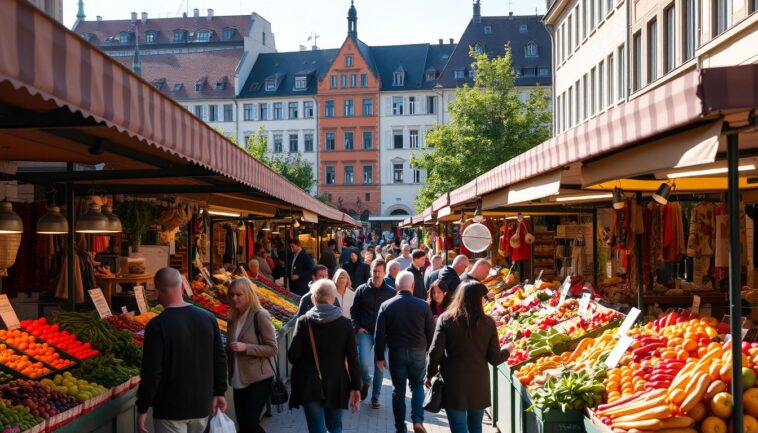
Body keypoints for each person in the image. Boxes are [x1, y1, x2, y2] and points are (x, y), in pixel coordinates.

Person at [137, 267, 227, 433]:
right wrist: (220, 391)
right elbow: (219, 359)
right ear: (181, 287)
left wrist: (142, 408)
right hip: (201, 406)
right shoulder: (208, 318)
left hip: (170, 409)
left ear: (157, 292)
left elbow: (152, 372)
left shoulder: (156, 326)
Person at [426, 281, 511, 433]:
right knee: (475, 427)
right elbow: (495, 358)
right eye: (483, 297)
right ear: (478, 299)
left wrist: (430, 374)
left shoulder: (446, 319)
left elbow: (435, 352)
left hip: (454, 382)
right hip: (479, 383)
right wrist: (508, 350)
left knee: (459, 428)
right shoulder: (489, 323)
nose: (485, 299)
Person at [289, 280, 362, 433]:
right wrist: (356, 387)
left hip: (310, 385)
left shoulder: (303, 322)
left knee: (317, 428)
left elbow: (293, 356)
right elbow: (353, 359)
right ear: (333, 298)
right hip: (337, 384)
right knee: (335, 426)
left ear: (313, 298)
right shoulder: (345, 324)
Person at [375, 272, 435, 433]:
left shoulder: (387, 305)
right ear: (413, 286)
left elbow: (379, 334)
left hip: (397, 352)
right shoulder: (423, 305)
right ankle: (417, 420)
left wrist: (379, 357)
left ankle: (400, 427)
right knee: (417, 386)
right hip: (418, 352)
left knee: (398, 390)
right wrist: (430, 352)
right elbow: (431, 332)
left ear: (396, 286)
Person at [227, 278, 277, 433]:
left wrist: (246, 347)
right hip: (238, 377)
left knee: (250, 423)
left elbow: (272, 348)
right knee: (243, 425)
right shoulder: (232, 318)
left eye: (238, 294)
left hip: (258, 377)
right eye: (232, 294)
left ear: (248, 294)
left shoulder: (260, 315)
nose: (234, 298)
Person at [350, 259, 395, 408]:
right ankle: (366, 380)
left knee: (379, 365)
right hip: (365, 332)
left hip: (383, 335)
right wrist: (357, 327)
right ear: (371, 271)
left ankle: (376, 396)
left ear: (384, 273)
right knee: (362, 362)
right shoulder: (362, 290)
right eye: (374, 271)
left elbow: (394, 316)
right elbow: (353, 311)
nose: (376, 274)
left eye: (379, 272)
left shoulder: (391, 292)